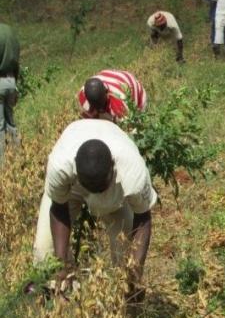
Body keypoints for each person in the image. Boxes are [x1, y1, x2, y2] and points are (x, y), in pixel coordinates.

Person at [33, 120, 157, 299]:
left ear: (112, 167)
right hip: (74, 184)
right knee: (45, 253)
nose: (93, 192)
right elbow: (59, 209)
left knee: (125, 264)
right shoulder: (60, 165)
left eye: (98, 186)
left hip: (115, 189)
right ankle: (62, 307)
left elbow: (143, 217)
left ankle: (123, 307)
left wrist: (135, 273)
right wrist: (60, 263)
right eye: (90, 186)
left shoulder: (132, 172)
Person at [77, 69, 147, 122]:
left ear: (107, 93)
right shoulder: (83, 97)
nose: (100, 110)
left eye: (102, 106)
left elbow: (128, 129)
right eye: (96, 108)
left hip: (135, 91)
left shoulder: (120, 102)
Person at [0, 23, 20, 162]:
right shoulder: (9, 31)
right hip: (11, 80)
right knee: (11, 123)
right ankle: (18, 158)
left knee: (0, 126)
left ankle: (2, 166)